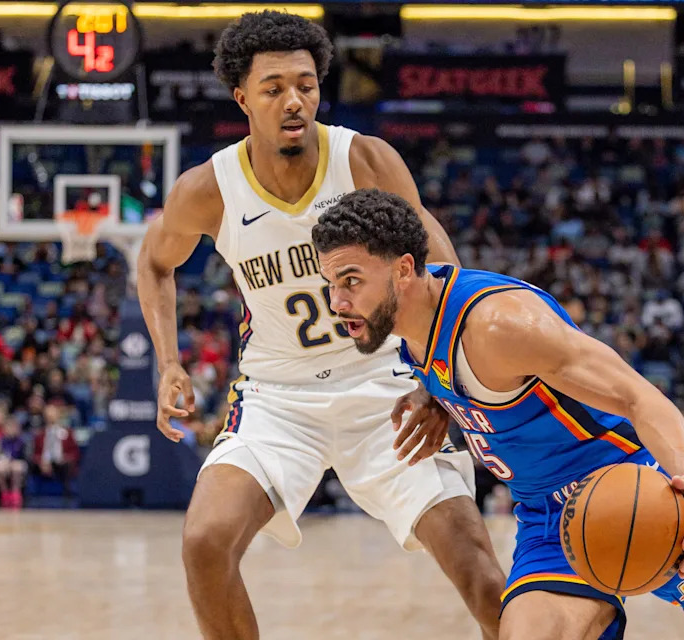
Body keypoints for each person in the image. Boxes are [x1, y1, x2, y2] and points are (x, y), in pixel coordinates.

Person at [136, 12, 505, 640]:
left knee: (477, 567)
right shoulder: (210, 189)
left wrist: (441, 382)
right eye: (274, 86)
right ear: (241, 97)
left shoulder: (363, 159)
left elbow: (443, 267)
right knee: (204, 541)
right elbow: (154, 264)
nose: (294, 100)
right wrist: (168, 360)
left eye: (305, 84)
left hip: (386, 385)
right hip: (278, 397)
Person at [313, 189, 684, 640]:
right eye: (331, 284)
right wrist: (430, 393)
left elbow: (638, 397)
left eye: (351, 280)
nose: (336, 302)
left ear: (403, 270)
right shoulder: (406, 323)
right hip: (549, 517)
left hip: (638, 484)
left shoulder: (499, 326)